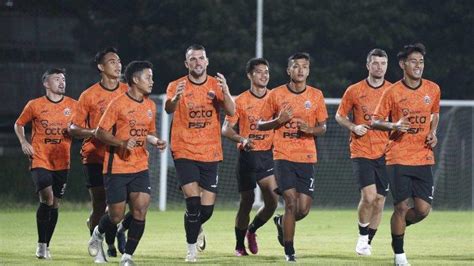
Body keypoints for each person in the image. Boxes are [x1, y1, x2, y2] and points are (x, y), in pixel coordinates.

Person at [87, 61, 166, 265]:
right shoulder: (118, 103)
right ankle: (97, 233)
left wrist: (155, 140)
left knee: (140, 210)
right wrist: (121, 142)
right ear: (135, 79)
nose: (152, 81)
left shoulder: (150, 105)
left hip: (140, 166)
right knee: (115, 216)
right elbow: (100, 132)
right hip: (117, 167)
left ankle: (127, 256)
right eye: (148, 77)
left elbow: (149, 132)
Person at [165, 44, 235, 262]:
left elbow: (232, 111)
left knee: (206, 211)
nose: (197, 62)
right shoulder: (176, 85)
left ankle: (197, 226)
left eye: (201, 58)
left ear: (207, 61)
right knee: (193, 202)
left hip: (211, 152)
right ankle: (191, 249)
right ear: (187, 63)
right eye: (193, 59)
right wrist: (176, 99)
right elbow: (168, 108)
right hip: (184, 149)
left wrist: (227, 91)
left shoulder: (216, 84)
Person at [372, 43, 440, 266]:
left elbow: (434, 114)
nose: (418, 65)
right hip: (398, 157)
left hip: (423, 157)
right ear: (403, 64)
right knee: (400, 207)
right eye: (413, 61)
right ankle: (399, 255)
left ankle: (397, 226)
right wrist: (394, 125)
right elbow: (374, 121)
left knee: (422, 210)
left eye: (421, 61)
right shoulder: (392, 92)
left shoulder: (433, 89)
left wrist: (433, 133)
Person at [257, 52, 328, 262]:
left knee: (302, 209)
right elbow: (261, 124)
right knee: (289, 201)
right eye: (296, 66)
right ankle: (289, 251)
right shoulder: (276, 94)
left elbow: (323, 127)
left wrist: (311, 129)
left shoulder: (316, 95)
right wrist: (279, 120)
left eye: (304, 67)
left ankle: (281, 223)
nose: (300, 70)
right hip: (283, 155)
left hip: (306, 157)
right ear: (289, 70)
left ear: (308, 70)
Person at [68, 47, 130, 261]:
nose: (118, 64)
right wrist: (93, 132)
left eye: (119, 60)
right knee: (100, 204)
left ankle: (120, 230)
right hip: (95, 156)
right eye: (112, 61)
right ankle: (100, 245)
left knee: (134, 201)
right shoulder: (89, 95)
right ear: (101, 67)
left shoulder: (128, 91)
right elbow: (73, 128)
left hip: (121, 156)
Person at [14, 68, 77, 259]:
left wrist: (76, 131)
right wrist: (24, 142)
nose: (62, 82)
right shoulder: (34, 105)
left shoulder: (74, 105)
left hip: (62, 160)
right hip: (40, 157)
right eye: (57, 79)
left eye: (64, 79)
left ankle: (47, 244)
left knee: (55, 203)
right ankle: (41, 245)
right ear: (46, 83)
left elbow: (82, 126)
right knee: (47, 198)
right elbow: (19, 124)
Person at [335, 48, 392, 256]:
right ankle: (361, 236)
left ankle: (367, 241)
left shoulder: (393, 90)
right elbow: (340, 116)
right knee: (368, 197)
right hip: (361, 150)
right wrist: (353, 127)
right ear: (367, 65)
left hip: (386, 152)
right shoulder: (354, 90)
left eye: (383, 63)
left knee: (380, 201)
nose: (379, 67)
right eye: (375, 63)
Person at [222, 58, 279, 256]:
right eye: (259, 72)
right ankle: (239, 245)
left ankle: (252, 231)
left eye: (267, 72)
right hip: (247, 156)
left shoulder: (275, 98)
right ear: (250, 75)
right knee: (246, 201)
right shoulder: (240, 101)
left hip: (267, 156)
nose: (264, 75)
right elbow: (226, 130)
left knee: (272, 201)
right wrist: (242, 139)